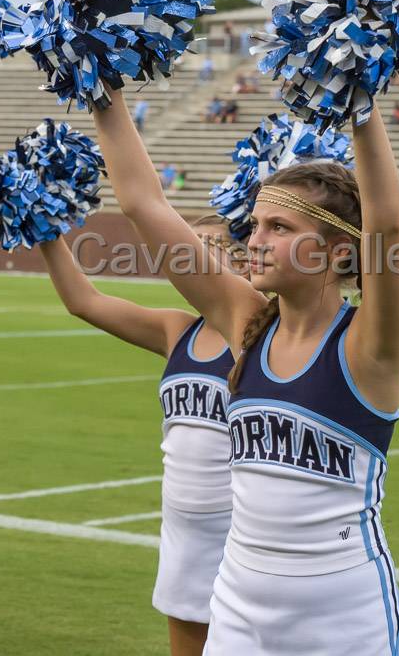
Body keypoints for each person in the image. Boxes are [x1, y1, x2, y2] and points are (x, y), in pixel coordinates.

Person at [91, 87, 399, 654]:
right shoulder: (245, 323)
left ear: (339, 253)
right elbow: (144, 203)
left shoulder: (369, 348)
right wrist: (100, 87)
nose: (253, 242)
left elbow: (384, 222)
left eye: (279, 229)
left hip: (341, 614)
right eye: (257, 224)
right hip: (237, 603)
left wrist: (359, 93)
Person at [37, 215, 246, 656]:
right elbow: (84, 302)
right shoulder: (177, 329)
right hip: (183, 531)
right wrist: (44, 230)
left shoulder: (265, 336)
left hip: (245, 532)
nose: (188, 255)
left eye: (209, 246)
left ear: (247, 260)